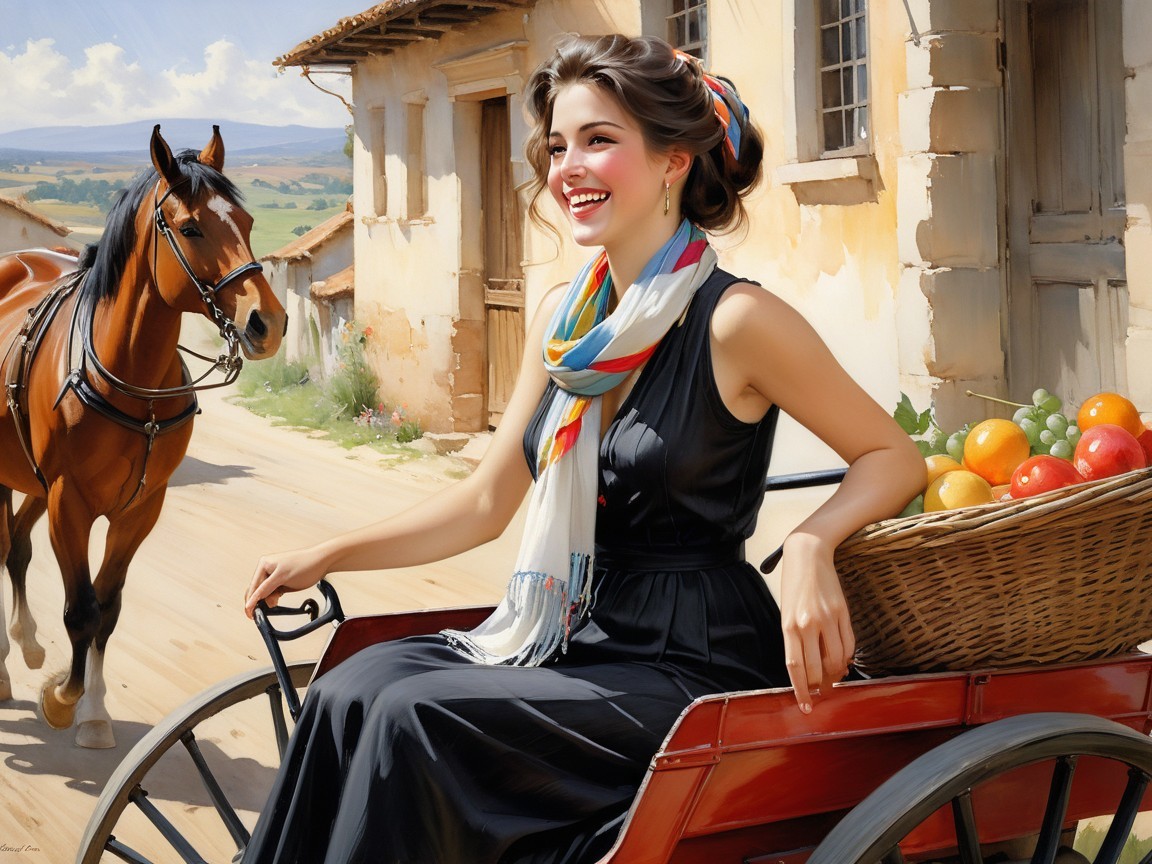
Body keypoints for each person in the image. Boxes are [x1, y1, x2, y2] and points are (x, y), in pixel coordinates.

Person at [241, 33, 923, 864]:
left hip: (689, 657)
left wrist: (814, 542)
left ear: (675, 161)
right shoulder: (566, 321)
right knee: (353, 686)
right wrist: (331, 554)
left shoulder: (737, 320)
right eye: (558, 145)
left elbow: (893, 455)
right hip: (581, 627)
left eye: (600, 141)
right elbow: (488, 501)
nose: (567, 166)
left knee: (412, 714)